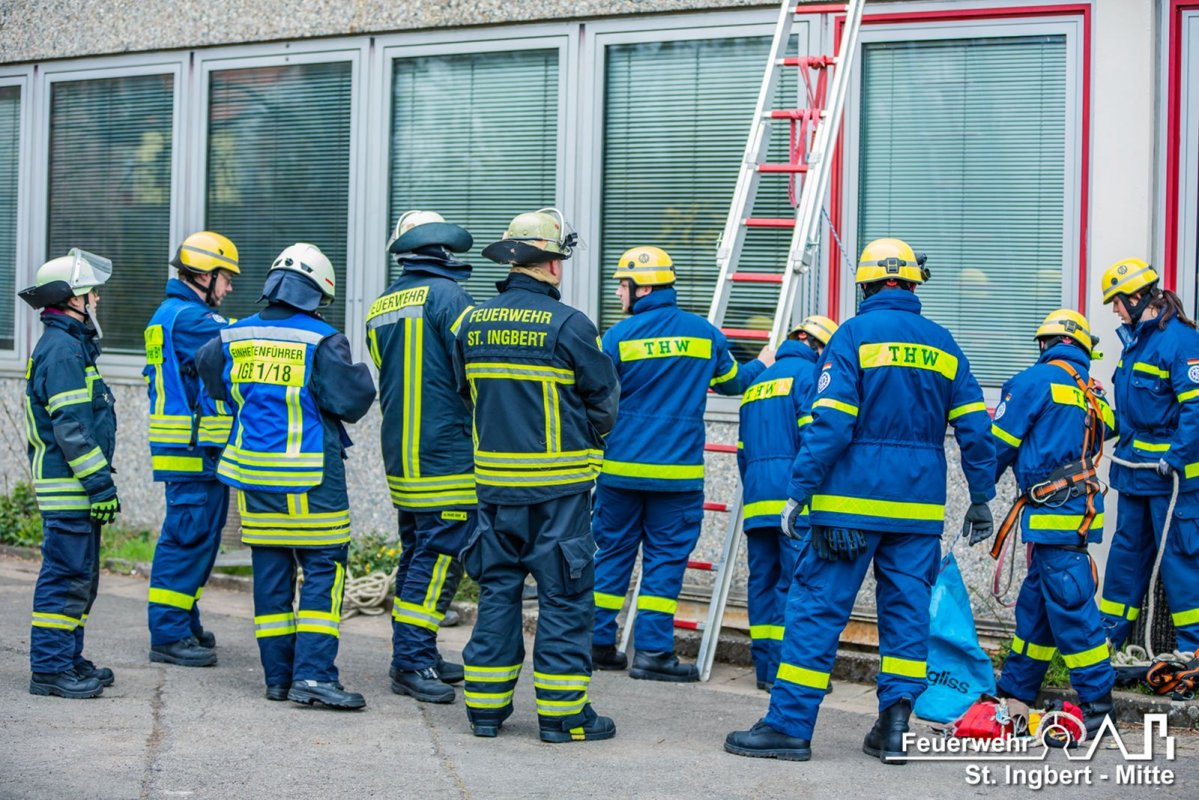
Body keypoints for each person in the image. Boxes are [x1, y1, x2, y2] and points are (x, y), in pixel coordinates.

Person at [725, 238, 996, 764]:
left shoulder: (851, 337)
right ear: (915, 284)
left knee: (816, 612)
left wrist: (800, 490)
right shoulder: (943, 343)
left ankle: (788, 727)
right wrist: (981, 494)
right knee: (907, 615)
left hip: (848, 510)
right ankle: (893, 728)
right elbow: (976, 427)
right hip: (917, 513)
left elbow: (829, 425)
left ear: (866, 285)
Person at [454, 208, 620, 742]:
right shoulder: (570, 325)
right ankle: (562, 716)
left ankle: (484, 710)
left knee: (497, 594)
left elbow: (465, 396)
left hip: (494, 492)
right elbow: (604, 401)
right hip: (560, 495)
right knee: (565, 599)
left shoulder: (471, 323)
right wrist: (587, 443)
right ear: (550, 265)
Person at [197, 242, 376, 709]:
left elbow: (209, 373)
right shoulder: (321, 339)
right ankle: (315, 678)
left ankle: (279, 679)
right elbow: (352, 401)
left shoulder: (233, 335)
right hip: (309, 479)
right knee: (322, 571)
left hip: (253, 481)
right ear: (316, 291)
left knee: (271, 576)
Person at [591, 245, 775, 682]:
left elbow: (595, 396)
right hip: (676, 479)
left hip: (620, 473)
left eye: (623, 284)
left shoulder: (616, 338)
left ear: (644, 286)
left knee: (611, 555)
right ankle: (653, 654)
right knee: (664, 562)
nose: (619, 292)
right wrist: (764, 364)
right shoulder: (703, 334)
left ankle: (596, 643)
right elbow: (733, 385)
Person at [989, 310, 1116, 738]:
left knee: (1072, 608)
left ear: (1046, 345)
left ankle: (1098, 703)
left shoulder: (1032, 382)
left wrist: (977, 493)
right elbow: (1113, 427)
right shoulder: (1091, 390)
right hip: (1073, 510)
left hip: (1054, 512)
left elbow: (997, 446)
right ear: (1083, 349)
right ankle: (1016, 693)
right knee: (1037, 608)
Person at [367, 211, 475, 703]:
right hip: (446, 452)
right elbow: (475, 366)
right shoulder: (451, 298)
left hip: (402, 453)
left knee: (418, 552)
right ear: (442, 251)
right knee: (438, 557)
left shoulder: (380, 306)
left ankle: (420, 653)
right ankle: (412, 662)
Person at [20, 249, 119, 699]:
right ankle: (51, 668)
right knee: (65, 576)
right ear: (72, 299)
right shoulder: (62, 350)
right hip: (71, 489)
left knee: (81, 576)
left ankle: (68, 657)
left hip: (76, 488)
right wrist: (99, 484)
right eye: (90, 292)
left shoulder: (71, 344)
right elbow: (73, 429)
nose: (96, 299)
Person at [144, 231, 239, 668]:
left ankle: (183, 620)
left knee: (197, 538)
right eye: (225, 278)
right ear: (203, 274)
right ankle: (167, 634)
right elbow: (242, 342)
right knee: (186, 539)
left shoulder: (173, 312)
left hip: (190, 450)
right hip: (190, 451)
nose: (229, 287)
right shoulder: (190, 318)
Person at [1097, 258, 1199, 654]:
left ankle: (1192, 652)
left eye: (1117, 302)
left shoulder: (1181, 342)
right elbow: (1129, 415)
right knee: (1125, 559)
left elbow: (1195, 409)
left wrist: (1175, 457)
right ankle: (1109, 641)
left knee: (1180, 562)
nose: (1114, 310)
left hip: (1171, 480)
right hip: (1135, 476)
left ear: (1138, 298)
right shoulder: (1136, 343)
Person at [737, 314, 838, 691]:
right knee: (797, 584)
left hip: (757, 500)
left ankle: (764, 668)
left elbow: (742, 451)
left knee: (762, 581)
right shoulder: (809, 378)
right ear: (819, 346)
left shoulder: (757, 383)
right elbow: (813, 442)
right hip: (793, 502)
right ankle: (787, 669)